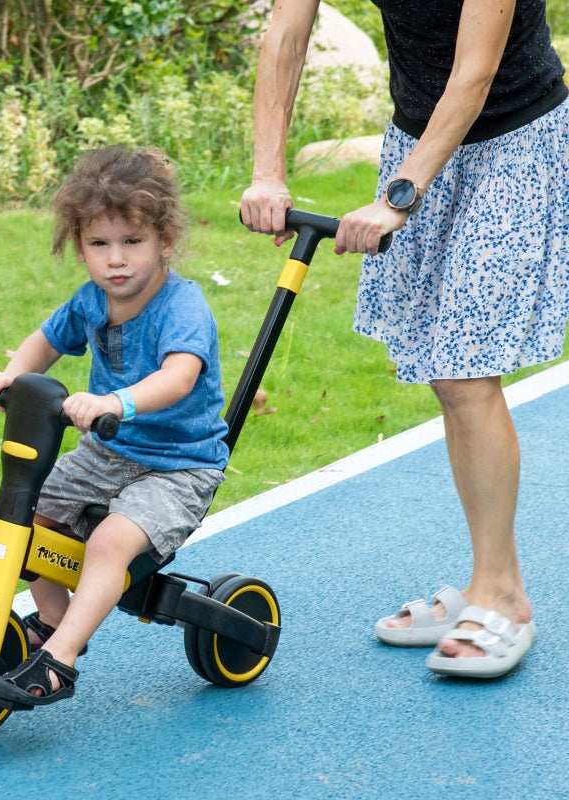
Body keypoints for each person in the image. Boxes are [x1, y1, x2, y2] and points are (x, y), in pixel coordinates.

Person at [240, 0, 569, 678]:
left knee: (466, 372)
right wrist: (267, 170)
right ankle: (488, 581)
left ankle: (502, 593)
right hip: (418, 135)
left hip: (514, 141)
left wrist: (399, 195)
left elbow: (474, 73)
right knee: (449, 379)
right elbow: (287, 33)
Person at [0, 145, 229, 707]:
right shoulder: (91, 301)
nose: (116, 259)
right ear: (79, 246)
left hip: (179, 465)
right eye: (99, 244)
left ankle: (60, 661)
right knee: (28, 509)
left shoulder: (182, 305)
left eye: (132, 242)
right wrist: (11, 377)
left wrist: (116, 402)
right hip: (108, 453)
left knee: (111, 543)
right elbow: (45, 341)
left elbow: (179, 377)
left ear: (164, 241)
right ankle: (52, 617)